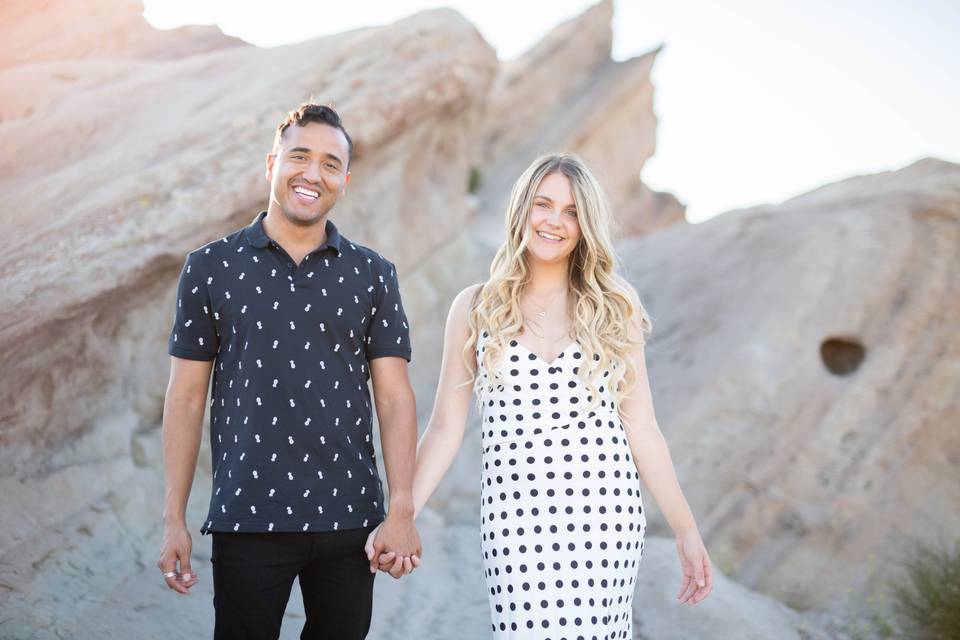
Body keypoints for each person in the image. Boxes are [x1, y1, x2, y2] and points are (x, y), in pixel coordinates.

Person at [366, 153, 713, 637]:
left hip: (606, 516)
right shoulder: (475, 307)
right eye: (544, 204)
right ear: (522, 209)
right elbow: (446, 427)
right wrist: (401, 516)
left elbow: (642, 427)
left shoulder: (615, 307)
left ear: (586, 224)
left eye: (571, 211)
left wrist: (685, 530)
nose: (554, 221)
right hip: (516, 520)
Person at [158, 103, 421, 640]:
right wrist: (173, 519)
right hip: (248, 517)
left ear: (344, 181)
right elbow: (185, 399)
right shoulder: (210, 267)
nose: (312, 174)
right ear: (272, 163)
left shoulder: (374, 274)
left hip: (351, 521)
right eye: (299, 157)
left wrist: (401, 510)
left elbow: (394, 399)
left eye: (330, 163)